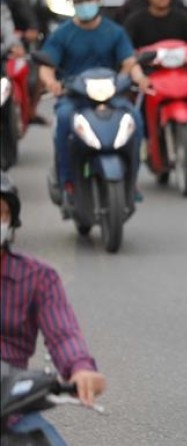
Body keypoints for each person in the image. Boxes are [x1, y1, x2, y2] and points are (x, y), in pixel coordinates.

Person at [1, 172, 107, 444]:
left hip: (12, 412)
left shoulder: (38, 277)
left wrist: (80, 369)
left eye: (0, 213)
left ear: (10, 222)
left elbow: (64, 334)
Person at [39, 0, 150, 208]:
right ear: (72, 4)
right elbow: (46, 65)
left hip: (111, 96)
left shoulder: (115, 32)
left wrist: (140, 78)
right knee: (63, 120)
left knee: (135, 120)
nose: (84, 5)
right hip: (74, 97)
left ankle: (132, 180)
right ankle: (66, 180)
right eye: (78, 1)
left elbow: (130, 63)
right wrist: (51, 82)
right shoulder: (62, 33)